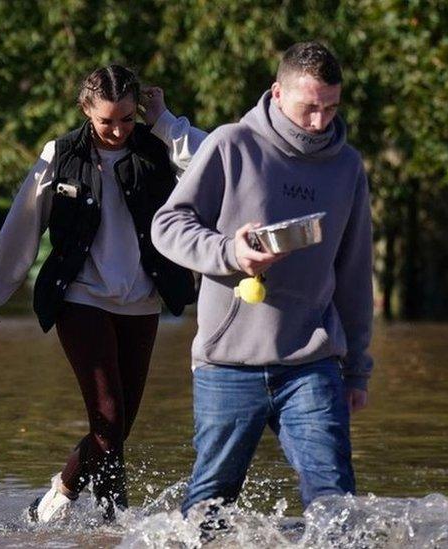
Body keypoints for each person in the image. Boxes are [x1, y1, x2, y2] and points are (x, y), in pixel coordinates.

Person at [0, 64, 206, 522]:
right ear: (85, 110)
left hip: (141, 301)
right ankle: (94, 512)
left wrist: (166, 122)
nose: (117, 130)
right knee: (109, 418)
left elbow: (214, 167)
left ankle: (92, 512)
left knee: (118, 428)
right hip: (79, 297)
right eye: (106, 121)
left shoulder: (158, 145)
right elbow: (23, 224)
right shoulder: (60, 153)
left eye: (126, 119)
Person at [150, 41, 373, 518]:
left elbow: (353, 273)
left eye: (330, 108)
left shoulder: (348, 166)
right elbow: (167, 226)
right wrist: (230, 252)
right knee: (209, 508)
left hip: (312, 359)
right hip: (227, 361)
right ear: (276, 92)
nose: (320, 122)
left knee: (336, 501)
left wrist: (357, 368)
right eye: (309, 107)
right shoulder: (232, 144)